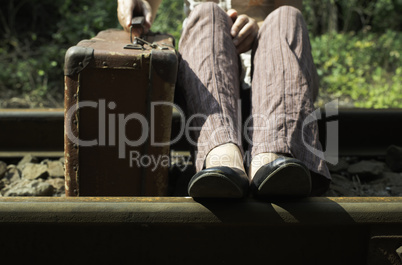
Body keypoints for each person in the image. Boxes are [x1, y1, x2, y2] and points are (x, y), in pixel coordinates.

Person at [117, 0, 331, 198]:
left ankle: (273, 157)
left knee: (287, 16)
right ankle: (223, 157)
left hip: (272, 90)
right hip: (208, 85)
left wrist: (257, 26)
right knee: (205, 13)